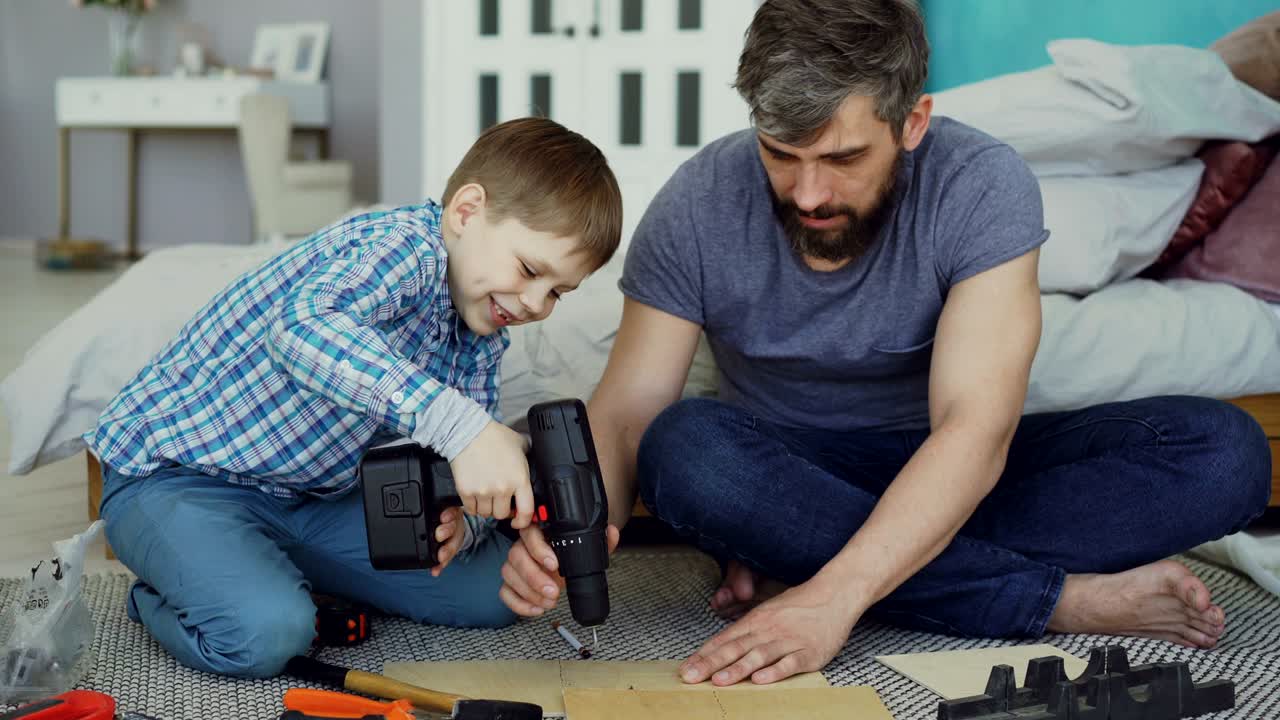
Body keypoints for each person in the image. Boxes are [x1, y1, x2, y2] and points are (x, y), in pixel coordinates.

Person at [497, 0, 1273, 687]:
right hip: (789, 468)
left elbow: (975, 428)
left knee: (1226, 453)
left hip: (954, 463)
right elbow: (630, 415)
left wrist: (829, 597)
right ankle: (1057, 602)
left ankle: (814, 563)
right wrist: (585, 518)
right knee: (685, 451)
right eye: (781, 155)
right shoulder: (699, 201)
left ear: (913, 123)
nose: (808, 195)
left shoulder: (982, 185)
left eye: (842, 159)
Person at [84, 117, 623, 678]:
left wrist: (467, 520)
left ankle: (255, 566)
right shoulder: (402, 249)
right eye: (530, 270)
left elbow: (470, 461)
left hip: (312, 498)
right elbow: (302, 329)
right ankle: (161, 597)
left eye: (558, 291)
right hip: (176, 477)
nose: (536, 303)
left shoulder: (480, 336)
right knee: (266, 633)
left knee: (491, 594)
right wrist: (459, 426)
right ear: (466, 212)